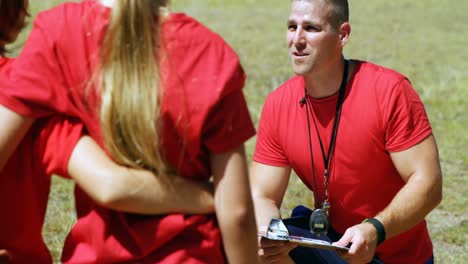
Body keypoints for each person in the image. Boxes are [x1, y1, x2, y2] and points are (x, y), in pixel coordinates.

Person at [0, 0, 259, 263]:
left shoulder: (59, 30)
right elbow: (237, 215)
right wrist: (213, 196)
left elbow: (110, 186)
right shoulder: (211, 54)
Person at [250, 0, 442, 263]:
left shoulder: (389, 91)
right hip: (332, 244)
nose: (297, 40)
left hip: (392, 254)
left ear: (343, 34)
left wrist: (375, 229)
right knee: (247, 243)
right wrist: (271, 236)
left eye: (311, 28)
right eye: (292, 27)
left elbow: (428, 184)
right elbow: (262, 194)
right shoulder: (278, 104)